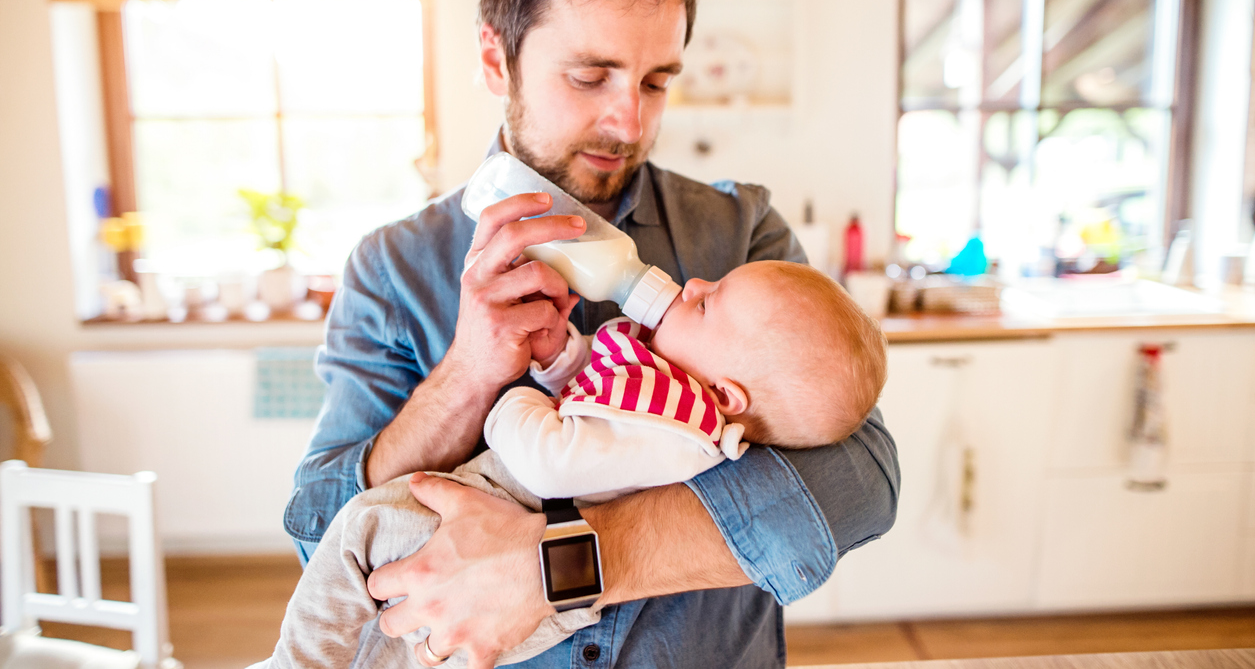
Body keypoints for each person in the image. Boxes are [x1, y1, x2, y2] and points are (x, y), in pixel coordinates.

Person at [284, 0, 900, 669]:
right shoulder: (393, 266)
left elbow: (859, 481)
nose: (629, 123)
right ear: (494, 59)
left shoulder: (739, 233)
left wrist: (560, 565)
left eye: (655, 81)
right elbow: (318, 531)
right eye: (588, 76)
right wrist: (466, 378)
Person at [265, 261, 888, 669]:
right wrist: (560, 360)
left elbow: (556, 461)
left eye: (708, 304)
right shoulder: (676, 397)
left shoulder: (677, 428)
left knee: (359, 530)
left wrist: (513, 401)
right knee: (396, 639)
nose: (694, 284)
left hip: (507, 527)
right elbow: (602, 414)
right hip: (500, 595)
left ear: (726, 395)